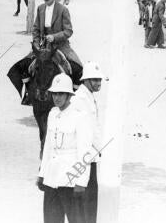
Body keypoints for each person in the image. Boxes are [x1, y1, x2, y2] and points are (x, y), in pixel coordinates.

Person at [37, 73, 93, 223]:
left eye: (61, 94)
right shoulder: (52, 114)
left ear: (69, 95)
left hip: (70, 179)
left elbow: (85, 152)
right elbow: (48, 147)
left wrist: (82, 181)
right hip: (51, 178)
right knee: (51, 219)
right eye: (54, 93)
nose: (57, 97)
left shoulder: (79, 116)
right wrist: (42, 173)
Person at [72, 62, 107, 223]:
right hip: (85, 156)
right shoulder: (80, 99)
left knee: (89, 203)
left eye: (99, 80)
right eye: (94, 80)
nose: (98, 83)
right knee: (87, 203)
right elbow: (88, 132)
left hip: (91, 156)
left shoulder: (88, 96)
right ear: (85, 80)